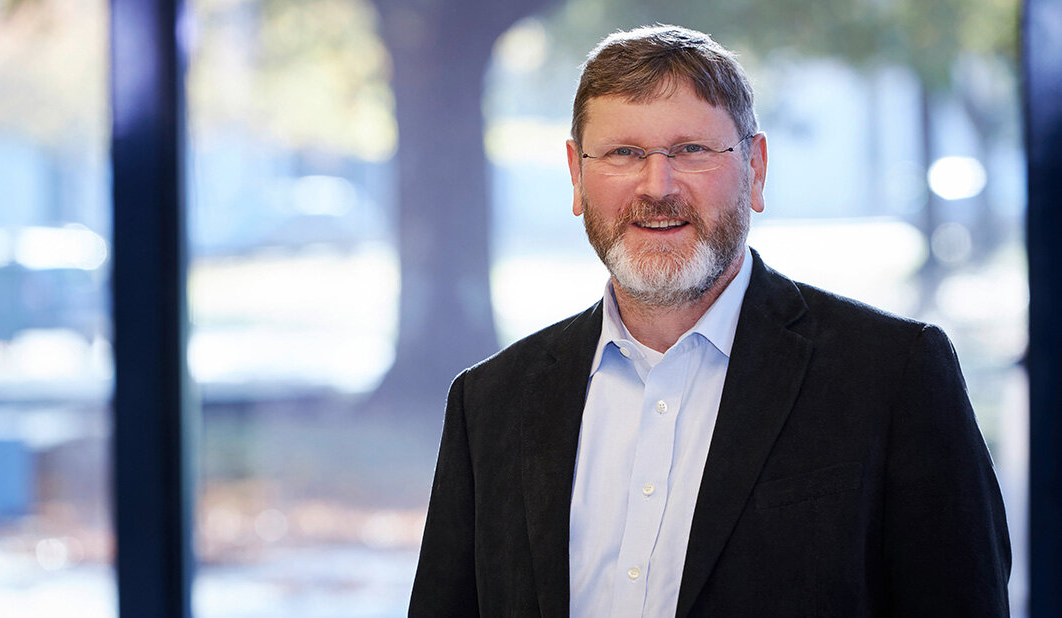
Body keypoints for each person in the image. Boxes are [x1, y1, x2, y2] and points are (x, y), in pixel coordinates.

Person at [409, 25, 1011, 617]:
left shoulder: (894, 378)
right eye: (624, 153)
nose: (657, 186)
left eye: (692, 150)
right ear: (576, 174)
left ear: (756, 167)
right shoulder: (489, 404)